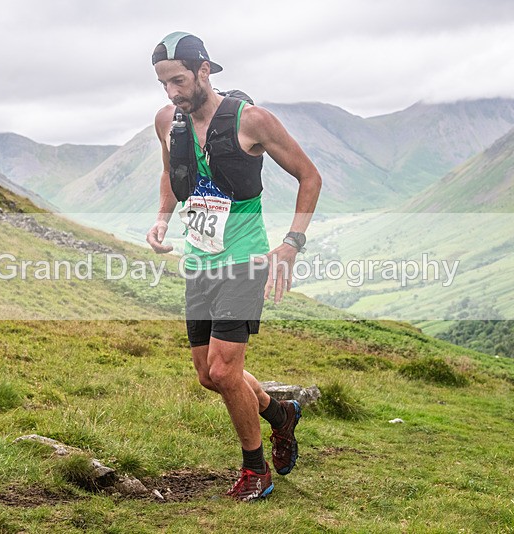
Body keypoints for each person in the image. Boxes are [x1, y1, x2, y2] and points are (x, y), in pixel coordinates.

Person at [146, 32, 322, 501]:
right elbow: (171, 171)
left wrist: (291, 243)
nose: (172, 94)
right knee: (207, 375)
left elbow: (310, 176)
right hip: (198, 261)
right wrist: (163, 218)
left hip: (244, 261)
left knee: (225, 372)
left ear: (205, 71)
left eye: (179, 81)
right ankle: (280, 413)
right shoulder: (168, 121)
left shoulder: (253, 121)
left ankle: (255, 471)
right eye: (164, 84)